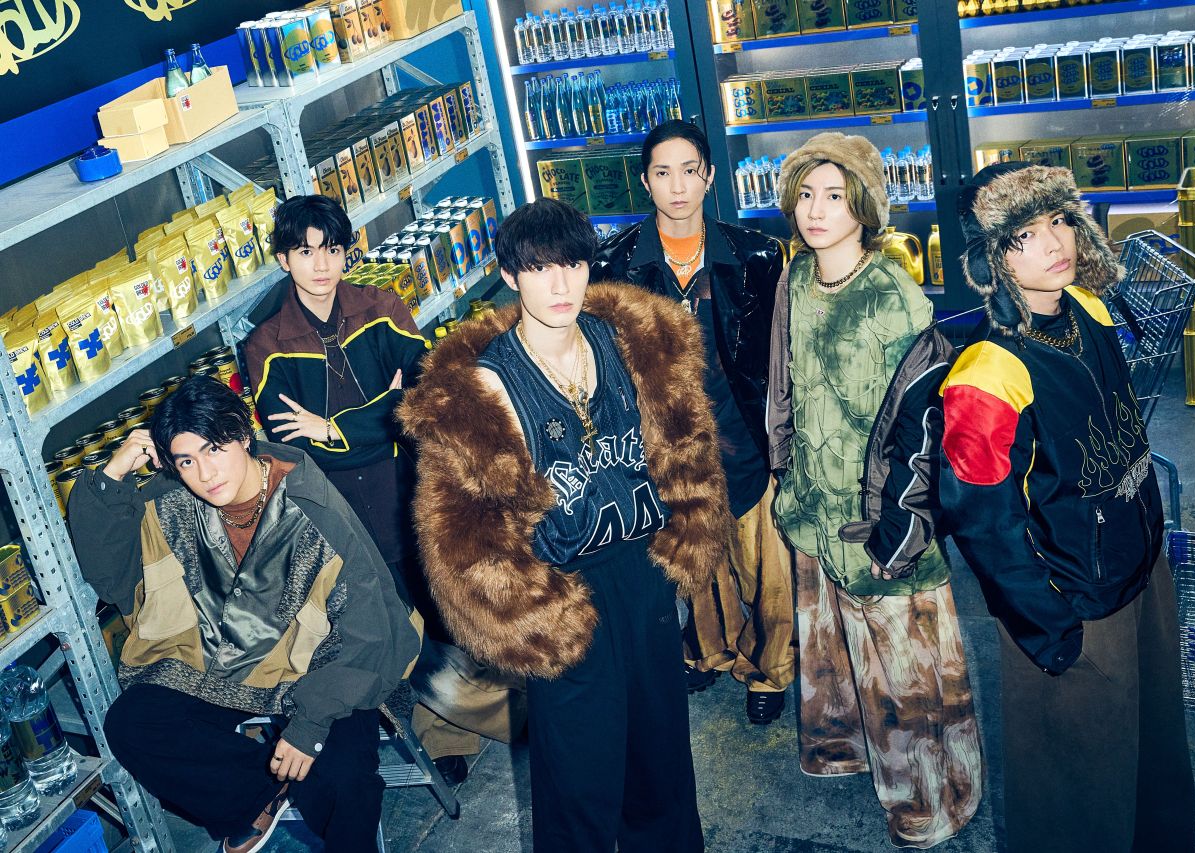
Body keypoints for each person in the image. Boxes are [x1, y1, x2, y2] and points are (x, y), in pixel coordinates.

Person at [398, 198, 729, 852]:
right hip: (562, 597)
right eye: (539, 268)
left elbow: (688, 446)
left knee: (662, 764)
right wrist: (532, 616)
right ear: (510, 275)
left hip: (643, 573)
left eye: (573, 264)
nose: (560, 284)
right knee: (578, 783)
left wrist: (683, 539)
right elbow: (458, 536)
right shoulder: (485, 388)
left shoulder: (627, 343)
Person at [939, 161, 1195, 853]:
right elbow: (983, 525)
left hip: (1139, 571)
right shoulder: (988, 373)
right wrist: (1049, 627)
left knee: (1153, 758)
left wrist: (1149, 549)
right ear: (991, 258)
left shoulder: (1087, 307)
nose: (1054, 242)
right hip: (1072, 604)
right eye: (1024, 234)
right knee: (1076, 791)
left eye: (1059, 220)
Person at [68, 376, 419, 853]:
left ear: (243, 435)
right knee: (134, 724)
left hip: (316, 666)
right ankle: (258, 793)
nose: (205, 473)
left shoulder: (314, 509)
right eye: (186, 460)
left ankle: (282, 778)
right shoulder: (171, 500)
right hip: (217, 660)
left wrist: (309, 727)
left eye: (214, 449)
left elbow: (370, 631)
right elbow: (111, 576)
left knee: (344, 780)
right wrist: (113, 476)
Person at [243, 195, 522, 785]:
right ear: (283, 260)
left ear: (347, 252)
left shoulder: (382, 307)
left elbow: (428, 397)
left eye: (332, 249)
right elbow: (295, 446)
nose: (321, 264)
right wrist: (383, 413)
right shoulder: (267, 343)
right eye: (304, 252)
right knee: (398, 628)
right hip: (337, 512)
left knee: (450, 607)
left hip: (409, 490)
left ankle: (497, 713)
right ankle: (469, 729)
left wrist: (334, 427)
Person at [767, 133, 983, 848]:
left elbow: (923, 420)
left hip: (877, 511)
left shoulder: (892, 294)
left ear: (862, 207)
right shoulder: (795, 278)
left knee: (903, 662)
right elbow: (782, 383)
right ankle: (843, 744)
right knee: (829, 643)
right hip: (813, 501)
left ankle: (934, 792)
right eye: (806, 194)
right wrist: (785, 469)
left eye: (833, 195)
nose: (815, 210)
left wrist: (901, 523)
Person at [591, 120, 792, 724]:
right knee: (695, 558)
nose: (677, 187)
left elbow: (778, 352)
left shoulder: (756, 255)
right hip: (668, 440)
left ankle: (768, 667)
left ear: (708, 177)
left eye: (688, 171)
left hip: (742, 427)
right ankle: (708, 649)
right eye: (662, 173)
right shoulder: (615, 263)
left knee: (765, 564)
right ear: (645, 182)